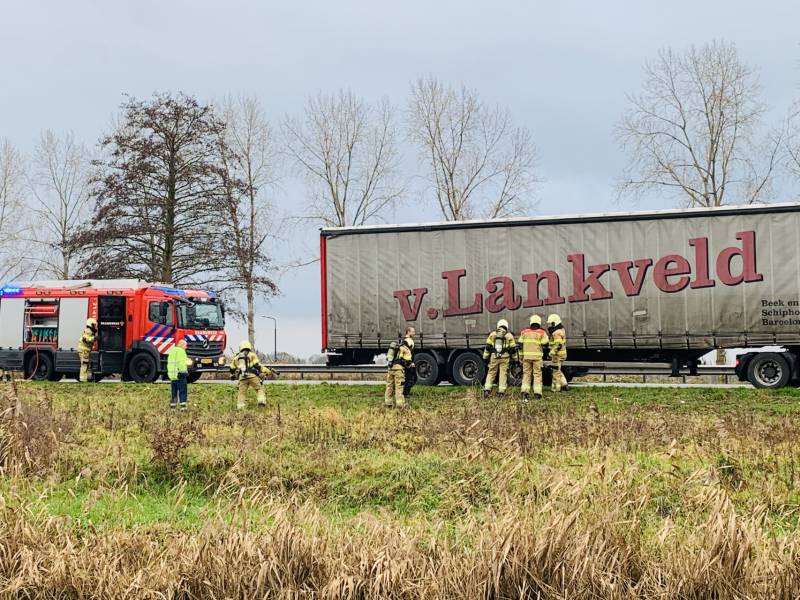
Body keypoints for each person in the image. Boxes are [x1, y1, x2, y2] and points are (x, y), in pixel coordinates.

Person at [229, 340, 275, 409]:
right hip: (252, 376)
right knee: (259, 389)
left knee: (241, 393)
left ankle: (240, 407)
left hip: (242, 377)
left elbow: (231, 368)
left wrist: (233, 375)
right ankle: (261, 401)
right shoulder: (252, 355)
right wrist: (267, 371)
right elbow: (258, 366)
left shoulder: (236, 357)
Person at [482, 319, 518, 398]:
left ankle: (487, 390)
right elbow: (513, 349)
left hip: (494, 357)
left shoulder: (493, 334)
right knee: (503, 374)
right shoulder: (509, 336)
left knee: (491, 372)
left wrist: (485, 358)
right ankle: (501, 392)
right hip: (505, 357)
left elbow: (487, 347)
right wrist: (516, 360)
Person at [518, 315, 549, 402]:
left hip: (526, 357)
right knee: (537, 375)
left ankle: (524, 393)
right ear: (539, 322)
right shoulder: (542, 332)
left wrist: (521, 357)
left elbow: (520, 344)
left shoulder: (524, 332)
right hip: (537, 358)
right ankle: (537, 394)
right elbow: (545, 342)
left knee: (526, 375)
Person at [385, 326, 415, 408]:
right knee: (399, 387)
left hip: (390, 368)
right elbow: (408, 360)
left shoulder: (394, 347)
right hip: (399, 369)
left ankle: (388, 403)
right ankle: (400, 405)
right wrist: (410, 364)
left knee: (389, 386)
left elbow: (388, 357)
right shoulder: (406, 349)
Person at [167, 339, 192, 410]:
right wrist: (185, 372)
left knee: (173, 392)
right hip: (180, 374)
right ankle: (183, 408)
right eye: (185, 345)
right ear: (181, 345)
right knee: (183, 391)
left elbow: (170, 364)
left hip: (173, 376)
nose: (186, 347)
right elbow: (181, 364)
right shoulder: (181, 351)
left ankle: (173, 408)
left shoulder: (172, 351)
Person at [547, 313, 568, 392]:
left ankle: (557, 389)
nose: (550, 326)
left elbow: (558, 345)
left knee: (556, 372)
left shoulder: (556, 333)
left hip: (557, 355)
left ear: (554, 323)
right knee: (558, 370)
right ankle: (564, 384)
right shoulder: (562, 330)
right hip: (562, 354)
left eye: (551, 323)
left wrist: (550, 353)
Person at [77, 318, 97, 383]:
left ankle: (87, 378)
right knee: (84, 364)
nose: (95, 326)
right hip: (84, 350)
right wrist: (94, 338)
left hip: (85, 350)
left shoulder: (90, 331)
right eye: (94, 325)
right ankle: (83, 379)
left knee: (87, 364)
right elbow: (86, 339)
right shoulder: (88, 331)